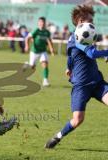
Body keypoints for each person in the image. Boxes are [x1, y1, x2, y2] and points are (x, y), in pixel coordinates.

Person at [45, 5, 108, 149]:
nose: (93, 24)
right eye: (90, 21)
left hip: (97, 82)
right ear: (81, 21)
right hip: (81, 86)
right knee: (78, 120)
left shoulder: (84, 35)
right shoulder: (76, 38)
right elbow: (91, 54)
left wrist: (68, 67)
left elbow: (72, 56)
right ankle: (58, 136)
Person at [22, 17, 55, 87]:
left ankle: (45, 81)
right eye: (40, 22)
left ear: (45, 23)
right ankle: (27, 65)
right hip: (34, 51)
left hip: (43, 51)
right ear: (38, 23)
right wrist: (27, 46)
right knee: (32, 67)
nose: (42, 23)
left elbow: (49, 40)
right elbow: (27, 38)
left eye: (43, 22)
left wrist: (51, 48)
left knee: (45, 64)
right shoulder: (36, 30)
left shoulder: (47, 32)